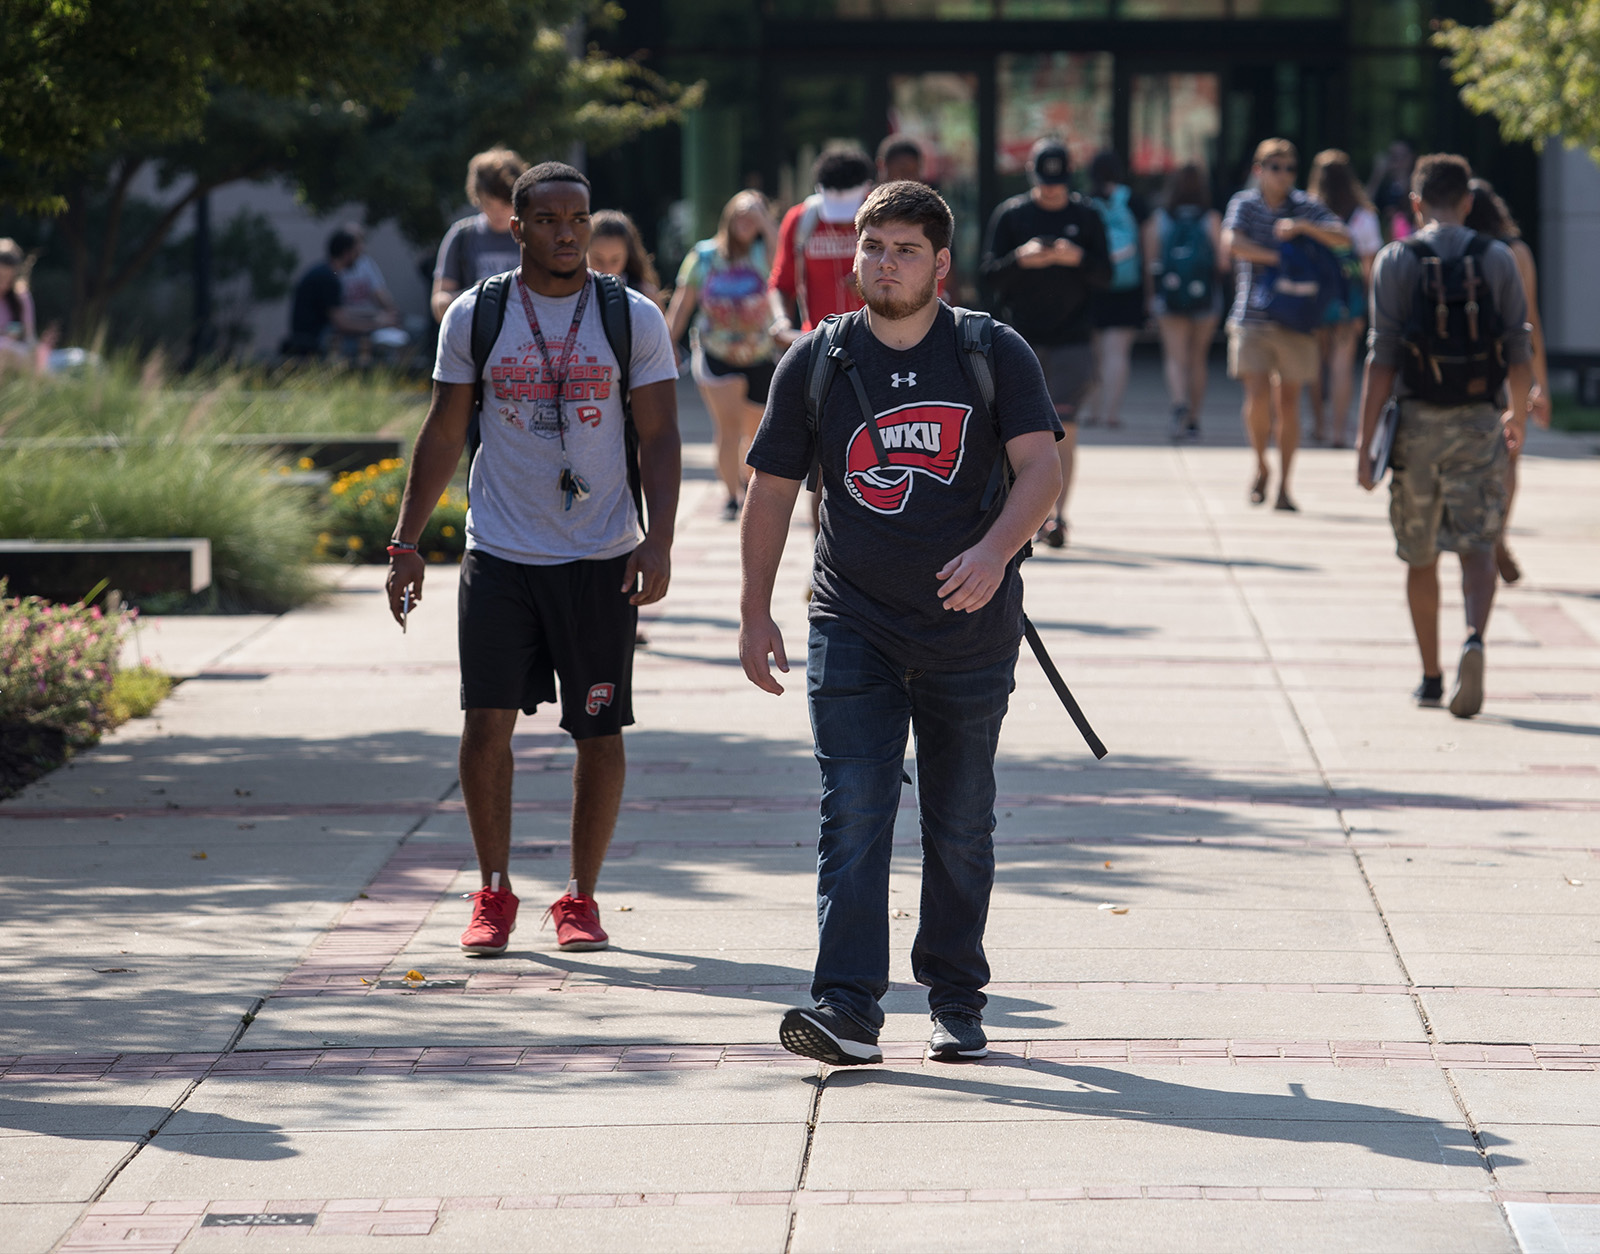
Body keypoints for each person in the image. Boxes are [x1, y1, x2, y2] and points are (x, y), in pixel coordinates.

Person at [739, 180, 1064, 1066]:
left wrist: (997, 550)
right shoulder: (818, 359)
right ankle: (846, 1006)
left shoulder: (993, 352)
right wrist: (754, 611)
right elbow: (770, 492)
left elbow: (1040, 469)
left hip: (969, 634)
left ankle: (956, 996)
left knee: (961, 822)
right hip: (853, 624)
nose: (886, 265)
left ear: (942, 263)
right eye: (874, 248)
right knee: (856, 811)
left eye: (906, 250)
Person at [386, 161, 682, 954]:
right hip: (503, 551)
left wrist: (660, 539)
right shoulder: (478, 316)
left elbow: (658, 434)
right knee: (485, 724)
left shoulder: (632, 317)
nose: (566, 233)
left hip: (600, 553)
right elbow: (445, 430)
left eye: (578, 218)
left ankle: (581, 896)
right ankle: (493, 891)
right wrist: (406, 542)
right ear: (514, 229)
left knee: (598, 728)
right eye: (547, 220)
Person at [1356, 153, 1532, 719]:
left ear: (1415, 204)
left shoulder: (1395, 259)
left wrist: (1364, 445)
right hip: (1480, 418)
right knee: (1479, 544)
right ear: (1468, 201)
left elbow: (1381, 358)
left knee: (1420, 552)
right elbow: (1519, 349)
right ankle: (1474, 638)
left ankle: (1430, 677)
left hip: (1415, 425)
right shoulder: (1498, 258)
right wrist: (1518, 420)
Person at [981, 137, 1111, 548]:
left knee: (1065, 431)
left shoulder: (1087, 215)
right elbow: (987, 275)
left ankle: (1058, 517)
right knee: (1016, 435)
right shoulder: (1012, 215)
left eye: (1058, 182)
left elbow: (1107, 275)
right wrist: (1022, 259)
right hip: (1019, 341)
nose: (1052, 189)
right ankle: (1025, 516)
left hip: (1072, 339)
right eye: (1044, 182)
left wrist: (1078, 259)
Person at [1222, 138, 1349, 511]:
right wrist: (1278, 257)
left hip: (1298, 318)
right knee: (1258, 396)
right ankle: (1262, 464)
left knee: (1289, 402)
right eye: (1275, 167)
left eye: (1290, 168)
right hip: (1252, 316)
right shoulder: (1244, 203)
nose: (1283, 175)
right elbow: (1231, 242)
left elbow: (1343, 238)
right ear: (1259, 170)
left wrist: (1303, 229)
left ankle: (1285, 486)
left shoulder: (1305, 206)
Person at [666, 191, 779, 519]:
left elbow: (782, 254)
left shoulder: (763, 254)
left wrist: (763, 217)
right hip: (717, 352)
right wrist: (665, 344)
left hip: (759, 353)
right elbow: (682, 304)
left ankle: (746, 482)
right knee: (728, 428)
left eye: (754, 217)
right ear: (728, 216)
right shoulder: (703, 256)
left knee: (754, 433)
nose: (747, 222)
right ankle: (731, 496)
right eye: (741, 214)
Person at [1464, 178, 1552, 585]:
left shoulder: (1457, 250)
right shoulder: (1516, 252)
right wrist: (1541, 387)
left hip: (1467, 369)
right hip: (1510, 367)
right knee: (1510, 455)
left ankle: (1483, 536)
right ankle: (1498, 532)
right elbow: (1531, 321)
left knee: (1469, 457)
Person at [1306, 150, 1384, 448]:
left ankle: (1319, 425)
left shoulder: (1309, 210)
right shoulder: (1363, 216)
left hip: (1315, 297)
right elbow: (1369, 267)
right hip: (1348, 298)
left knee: (1315, 362)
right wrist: (1365, 304)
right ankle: (1339, 432)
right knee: (1342, 363)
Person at [1143, 163, 1223, 440]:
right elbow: (1223, 262)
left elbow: (1152, 262)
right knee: (1198, 359)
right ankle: (1193, 419)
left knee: (1175, 357)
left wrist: (1151, 297)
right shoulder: (1211, 219)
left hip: (1169, 296)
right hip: (1206, 298)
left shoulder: (1160, 218)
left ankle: (1178, 404)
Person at [769, 147, 874, 345]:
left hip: (876, 342)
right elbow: (781, 284)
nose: (843, 221)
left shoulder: (887, 218)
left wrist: (871, 287)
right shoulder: (800, 220)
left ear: (867, 188)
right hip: (818, 344)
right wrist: (781, 322)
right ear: (820, 190)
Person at [1081, 151, 1150, 431]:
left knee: (1092, 353)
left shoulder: (1084, 202)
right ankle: (1111, 412)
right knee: (1117, 353)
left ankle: (1091, 411)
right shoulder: (1134, 201)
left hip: (1092, 285)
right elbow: (1147, 245)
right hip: (1128, 286)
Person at [431, 148, 528, 322]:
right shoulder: (462, 236)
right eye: (489, 204)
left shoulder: (533, 235)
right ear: (477, 197)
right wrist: (478, 294)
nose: (497, 213)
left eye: (505, 204)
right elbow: (439, 306)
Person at [283, 229, 400, 358]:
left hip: (313, 335)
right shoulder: (329, 278)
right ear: (346, 253)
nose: (359, 259)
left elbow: (341, 312)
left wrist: (376, 316)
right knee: (377, 345)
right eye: (356, 253)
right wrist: (378, 324)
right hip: (315, 339)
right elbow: (342, 323)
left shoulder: (325, 272)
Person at [589, 210, 667, 310]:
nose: (606, 270)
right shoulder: (570, 293)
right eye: (598, 260)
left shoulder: (646, 297)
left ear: (628, 256)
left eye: (615, 260)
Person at [0, 240, 38, 375]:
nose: (4, 285)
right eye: (1, 278)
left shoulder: (21, 297)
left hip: (18, 357)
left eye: (9, 280)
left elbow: (30, 338)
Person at [1368, 139, 1416, 242]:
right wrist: (1377, 174)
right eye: (1393, 156)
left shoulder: (1416, 185)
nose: (1398, 161)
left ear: (1411, 157)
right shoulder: (1383, 185)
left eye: (1402, 156)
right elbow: (1365, 206)